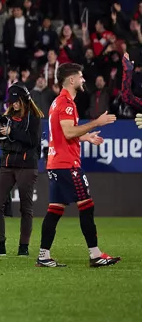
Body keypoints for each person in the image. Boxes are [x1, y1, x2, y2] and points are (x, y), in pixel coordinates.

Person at [38, 63, 119, 267]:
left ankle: (43, 256)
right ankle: (95, 255)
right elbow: (68, 132)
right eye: (81, 77)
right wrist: (96, 123)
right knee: (87, 206)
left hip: (55, 163)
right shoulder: (66, 103)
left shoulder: (57, 103)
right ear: (72, 80)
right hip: (67, 164)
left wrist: (85, 137)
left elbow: (61, 134)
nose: (84, 80)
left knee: (55, 210)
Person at [0, 84, 42, 258]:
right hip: (6, 164)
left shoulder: (34, 118)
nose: (13, 105)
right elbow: (4, 143)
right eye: (11, 102)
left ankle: (24, 246)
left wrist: (11, 131)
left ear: (24, 100)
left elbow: (33, 141)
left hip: (26, 165)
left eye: (16, 101)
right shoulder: (8, 117)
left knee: (26, 207)